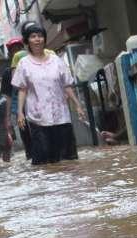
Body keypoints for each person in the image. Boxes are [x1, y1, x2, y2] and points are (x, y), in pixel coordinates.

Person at [11, 25, 87, 165]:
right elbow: (22, 89)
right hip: (38, 118)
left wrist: (78, 106)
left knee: (68, 159)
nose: (37, 39)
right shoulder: (24, 64)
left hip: (61, 115)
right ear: (27, 41)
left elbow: (67, 86)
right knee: (43, 162)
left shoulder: (56, 60)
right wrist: (20, 113)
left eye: (40, 36)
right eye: (33, 36)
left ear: (44, 39)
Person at [1, 37, 32, 159]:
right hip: (21, 111)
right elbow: (7, 96)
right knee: (27, 138)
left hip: (38, 107)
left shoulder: (34, 64)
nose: (17, 53)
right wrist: (7, 119)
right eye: (14, 50)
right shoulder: (8, 73)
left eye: (19, 49)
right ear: (10, 54)